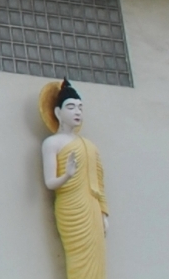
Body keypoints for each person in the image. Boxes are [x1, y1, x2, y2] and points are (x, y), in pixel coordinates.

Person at [40, 79, 105, 279]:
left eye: (80, 107)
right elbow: (50, 182)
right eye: (71, 107)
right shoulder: (52, 143)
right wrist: (67, 175)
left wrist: (104, 212)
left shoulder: (89, 145)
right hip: (71, 208)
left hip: (91, 207)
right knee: (77, 257)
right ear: (58, 113)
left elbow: (99, 182)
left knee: (97, 259)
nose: (77, 112)